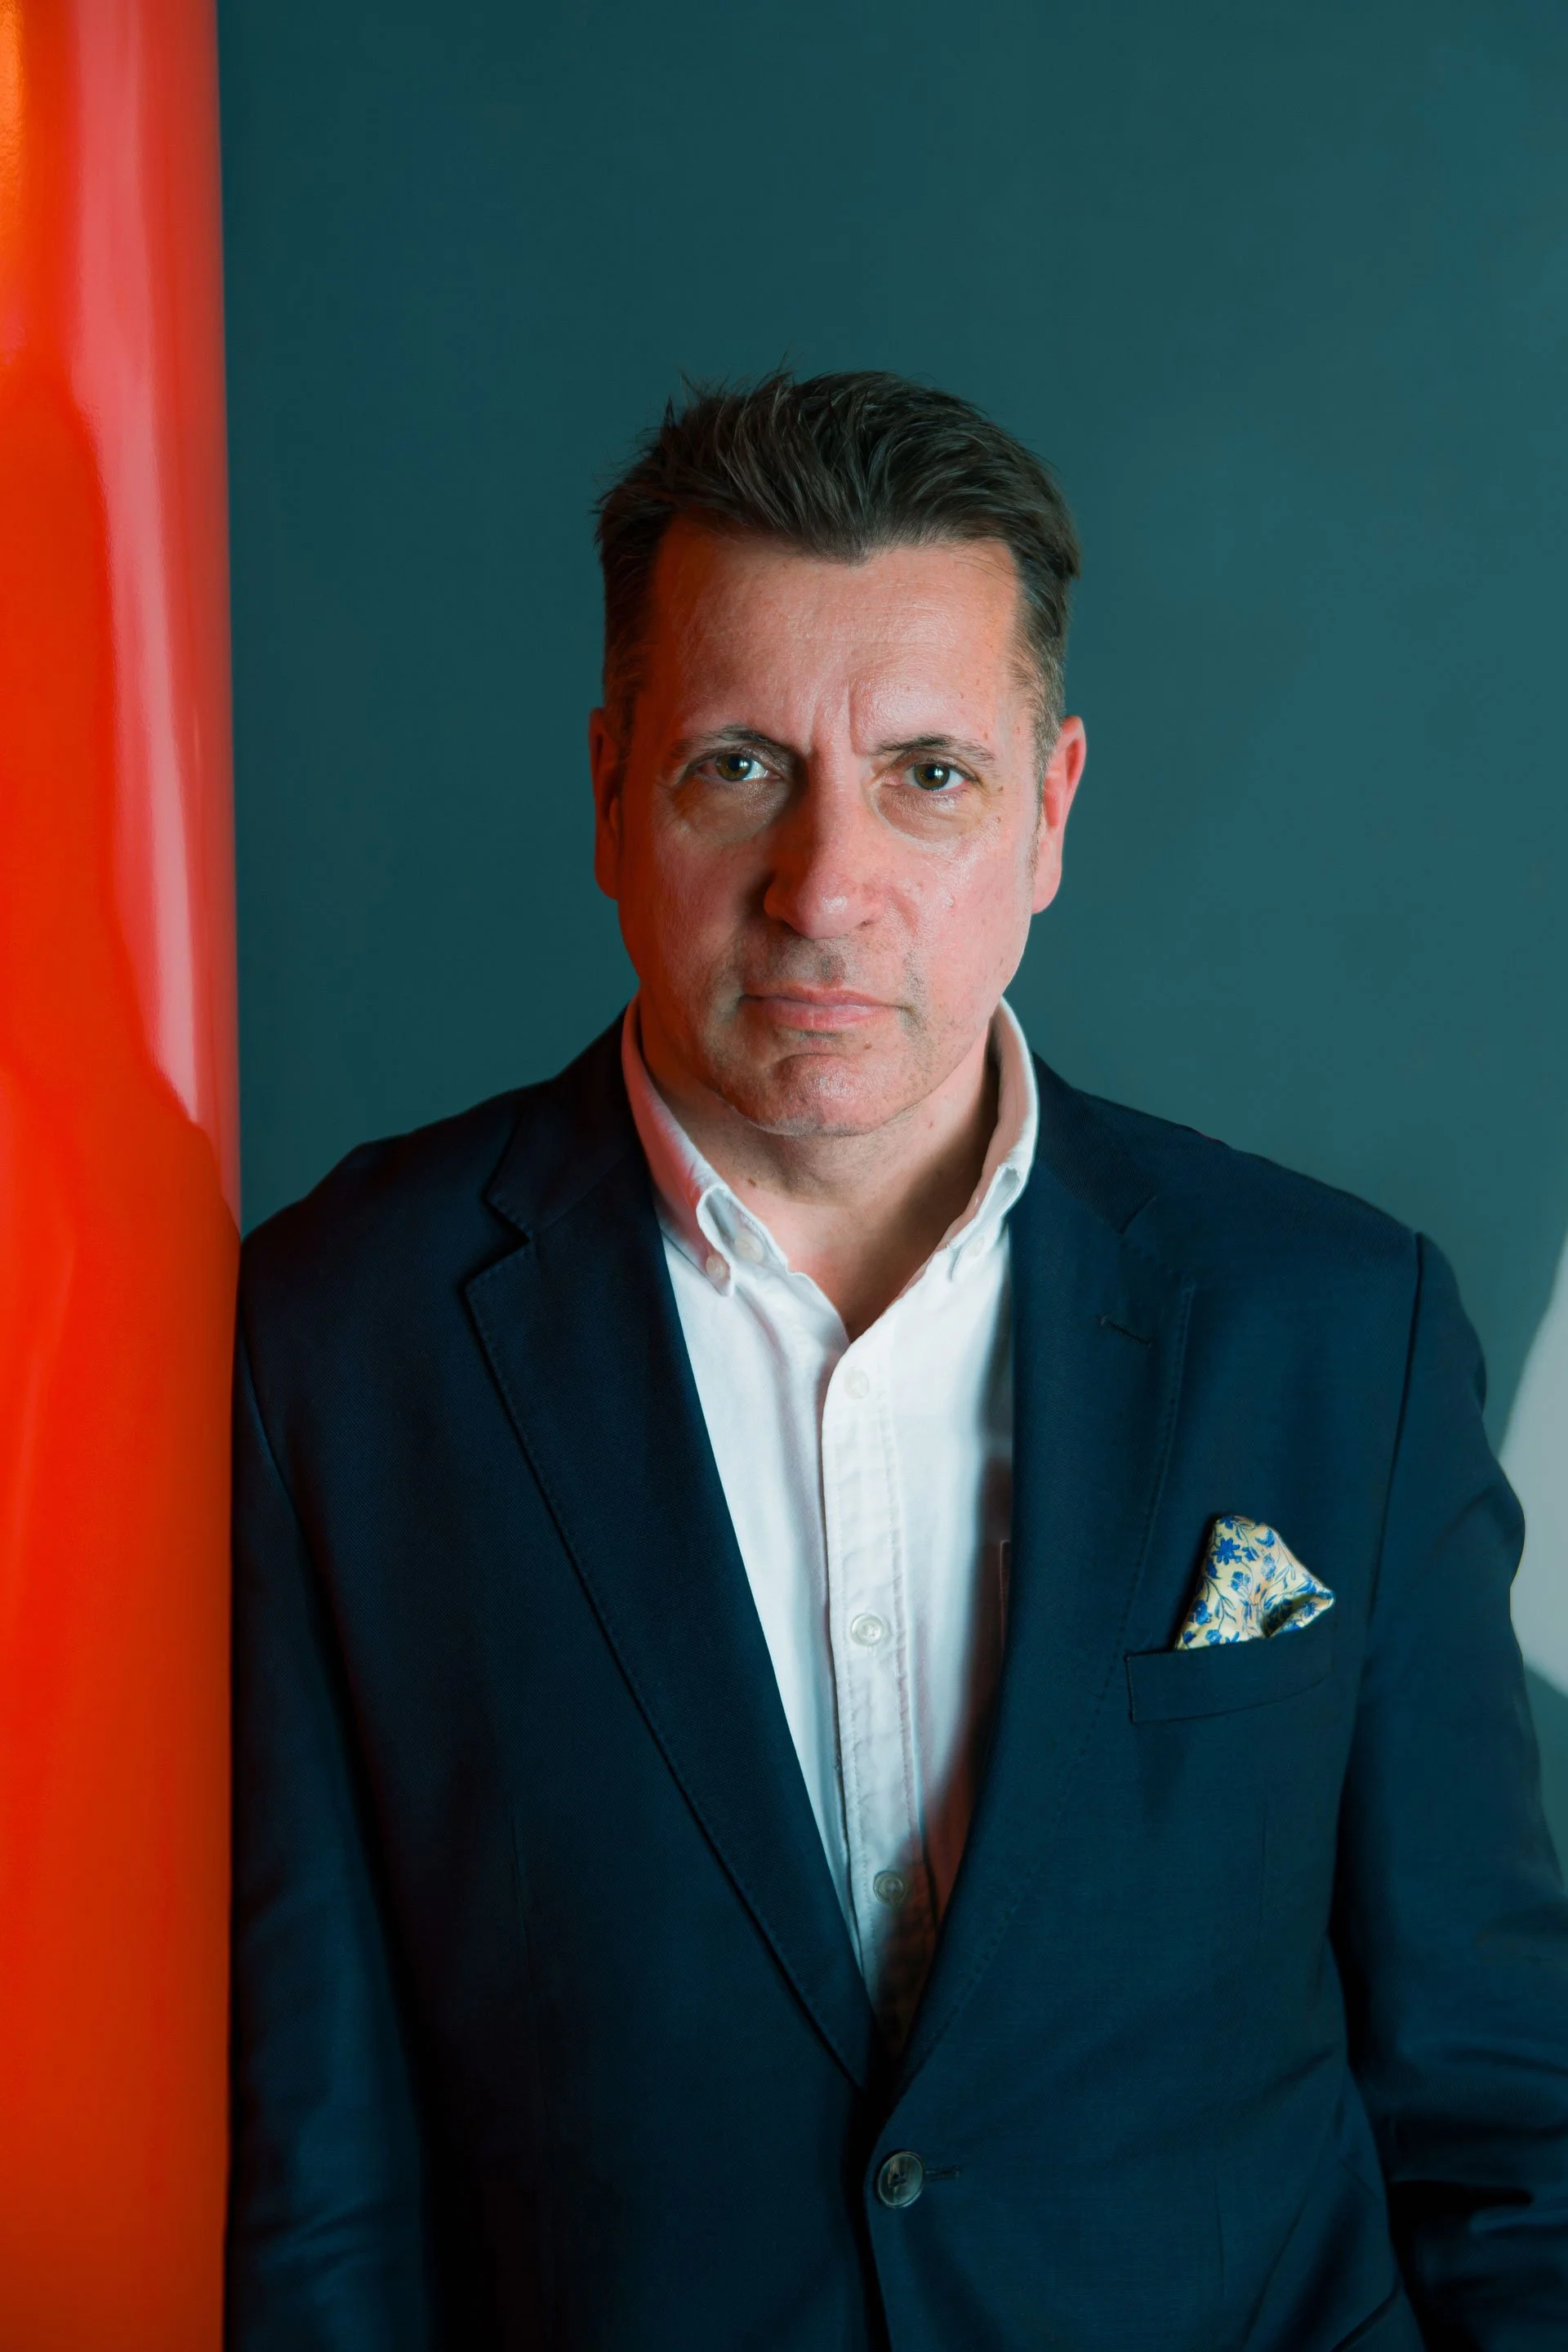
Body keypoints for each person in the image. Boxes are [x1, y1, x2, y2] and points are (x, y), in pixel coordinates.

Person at [226, 372, 1568, 2351]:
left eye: (929, 774)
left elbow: (1500, 2117)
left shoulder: (1333, 1328)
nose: (826, 887)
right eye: (741, 767)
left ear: (1051, 809)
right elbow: (316, 2189)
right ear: (610, 794)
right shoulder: (335, 1342)